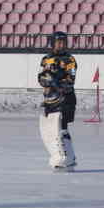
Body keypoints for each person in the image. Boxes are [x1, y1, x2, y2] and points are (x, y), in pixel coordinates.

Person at [37, 31, 77, 171]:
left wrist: (55, 82)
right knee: (53, 130)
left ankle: (66, 158)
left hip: (66, 99)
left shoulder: (70, 59)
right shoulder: (46, 59)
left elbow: (70, 82)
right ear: (52, 42)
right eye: (59, 41)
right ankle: (66, 158)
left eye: (63, 42)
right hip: (50, 100)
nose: (61, 44)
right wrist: (46, 80)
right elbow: (43, 78)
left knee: (61, 129)